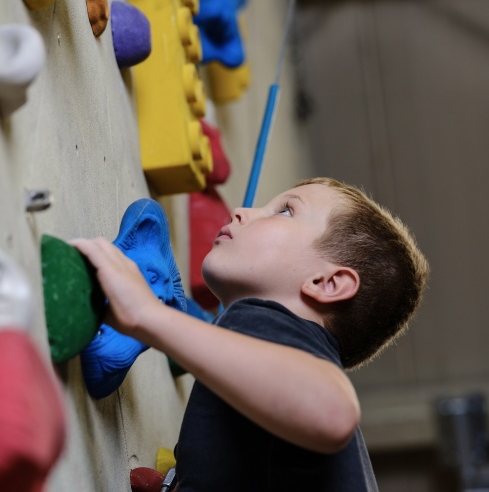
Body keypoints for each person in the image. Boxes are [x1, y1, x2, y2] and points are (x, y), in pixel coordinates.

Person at [71, 177, 429, 491]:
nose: (242, 211)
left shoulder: (269, 320)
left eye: (285, 212)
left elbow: (333, 413)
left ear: (327, 283)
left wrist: (145, 315)